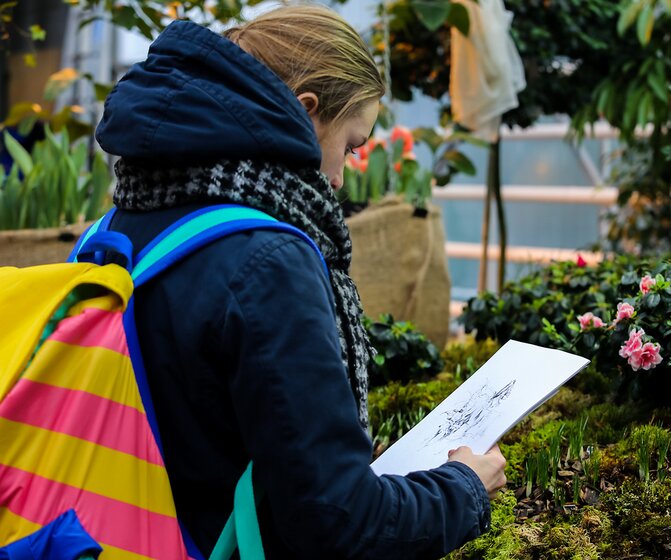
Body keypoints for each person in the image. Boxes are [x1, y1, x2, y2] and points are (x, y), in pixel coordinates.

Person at [94, 3, 507, 558]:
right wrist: (463, 489)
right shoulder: (267, 261)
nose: (336, 179)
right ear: (308, 112)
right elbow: (337, 522)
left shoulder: (118, 225)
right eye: (350, 146)